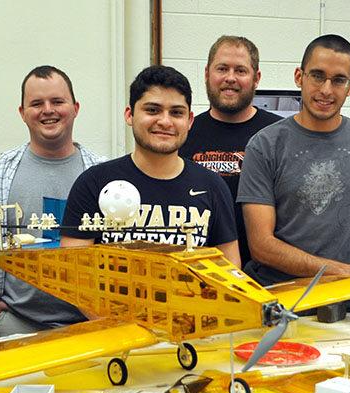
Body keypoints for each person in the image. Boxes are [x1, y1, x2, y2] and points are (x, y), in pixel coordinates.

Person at [237, 34, 350, 298]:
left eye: (338, 80)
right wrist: (347, 271)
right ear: (298, 77)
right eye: (317, 76)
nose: (326, 89)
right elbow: (262, 246)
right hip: (281, 299)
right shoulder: (265, 145)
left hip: (349, 301)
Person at [0, 66, 105, 337]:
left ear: (75, 108)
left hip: (91, 324)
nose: (48, 110)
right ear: (22, 113)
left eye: (57, 101)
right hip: (15, 324)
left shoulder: (103, 177)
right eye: (36, 103)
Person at [61, 65, 240, 267]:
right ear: (130, 115)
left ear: (189, 120)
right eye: (152, 110)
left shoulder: (212, 187)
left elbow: (231, 271)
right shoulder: (93, 183)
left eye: (176, 112)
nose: (165, 121)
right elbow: (73, 271)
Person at [179, 35, 283, 269]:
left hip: (266, 272)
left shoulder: (279, 134)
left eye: (241, 71)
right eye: (222, 68)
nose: (230, 78)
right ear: (207, 73)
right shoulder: (183, 132)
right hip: (195, 269)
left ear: (256, 78)